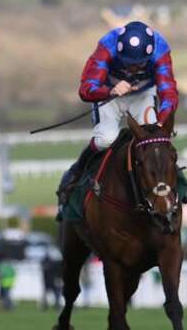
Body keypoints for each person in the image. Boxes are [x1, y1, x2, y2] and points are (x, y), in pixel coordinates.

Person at [57, 21, 179, 205]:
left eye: (139, 65)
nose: (133, 70)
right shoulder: (106, 46)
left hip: (142, 95)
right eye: (129, 64)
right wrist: (111, 91)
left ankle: (176, 183)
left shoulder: (161, 49)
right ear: (119, 51)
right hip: (109, 94)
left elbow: (168, 91)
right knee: (105, 139)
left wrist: (162, 123)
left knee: (154, 141)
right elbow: (86, 89)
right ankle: (77, 171)